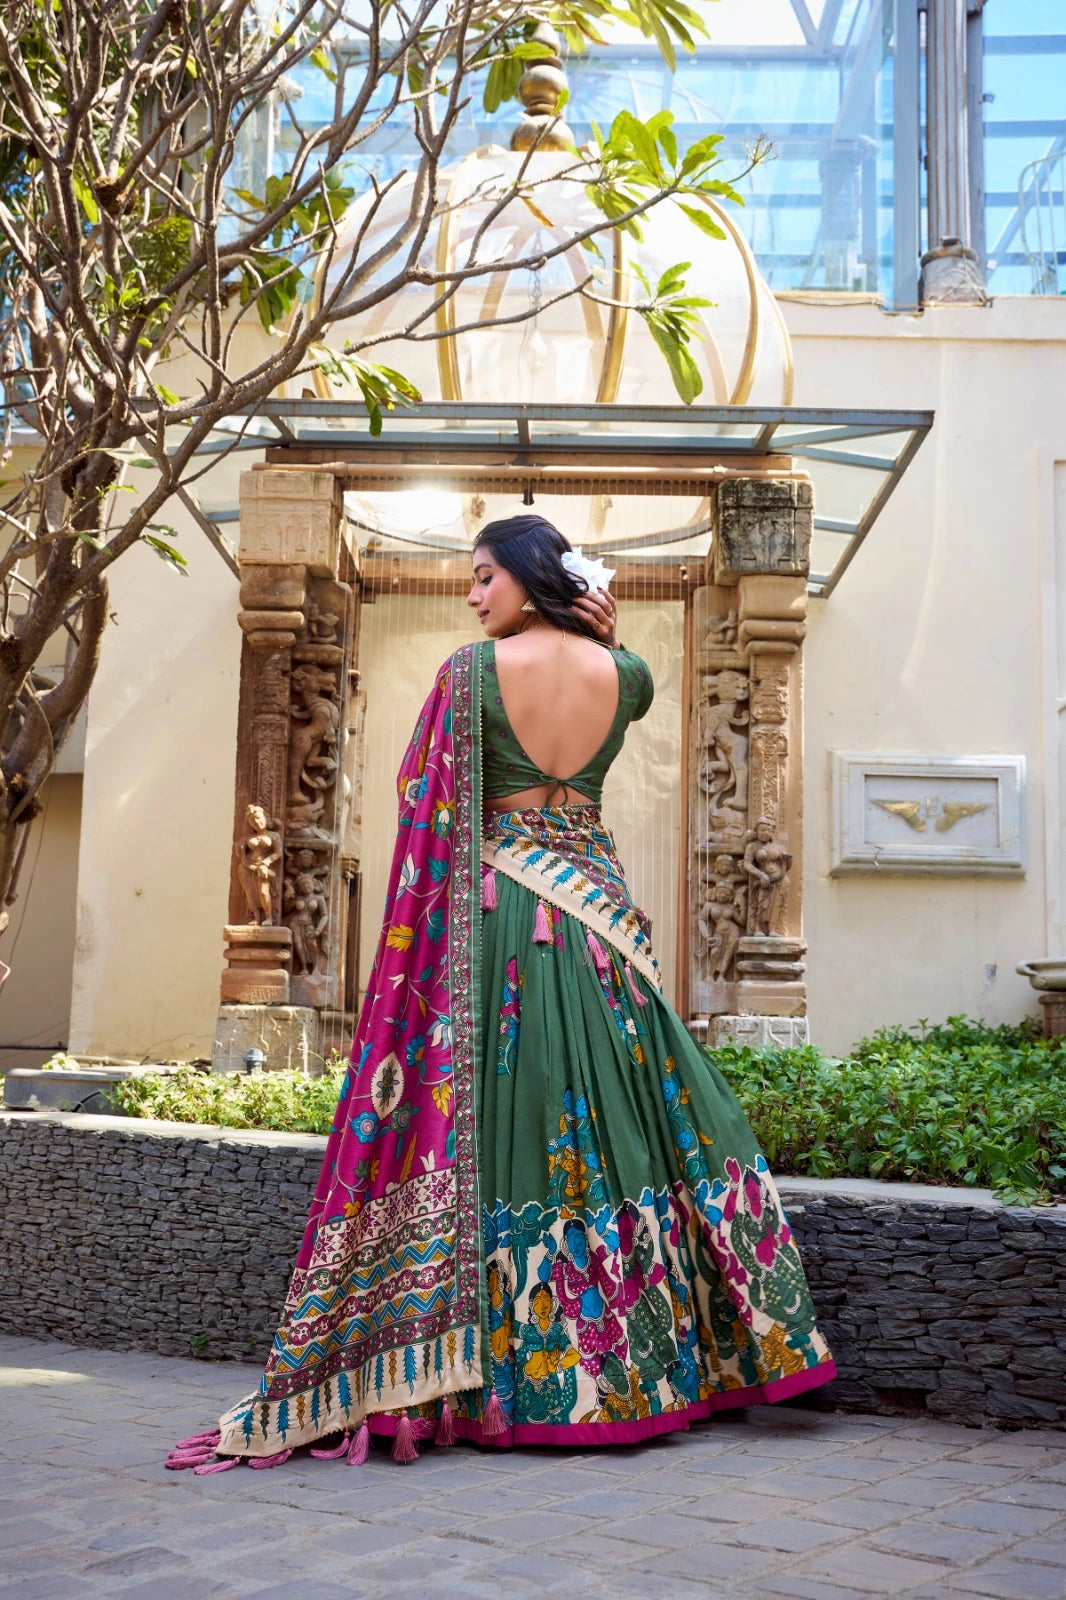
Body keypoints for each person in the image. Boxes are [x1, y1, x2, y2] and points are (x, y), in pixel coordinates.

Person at [167, 514, 835, 1475]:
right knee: (618, 1113)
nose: (472, 594)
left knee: (494, 1121)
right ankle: (637, 1362)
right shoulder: (629, 676)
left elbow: (424, 803)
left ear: (529, 573)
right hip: (600, 916)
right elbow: (612, 687)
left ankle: (483, 1368)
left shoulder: (468, 676)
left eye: (485, 576)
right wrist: (605, 638)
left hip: (502, 917)